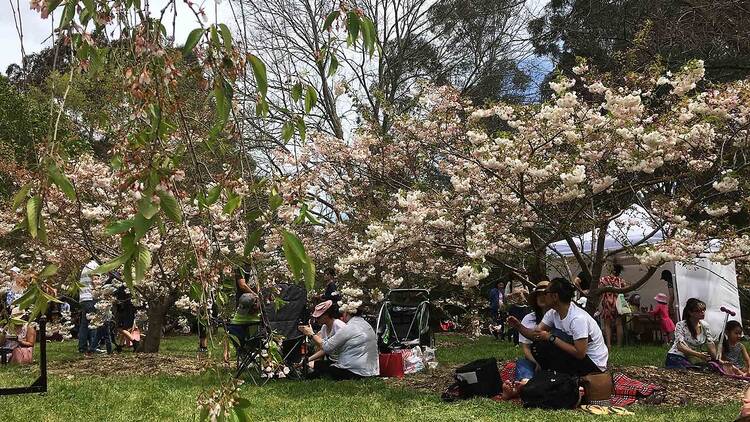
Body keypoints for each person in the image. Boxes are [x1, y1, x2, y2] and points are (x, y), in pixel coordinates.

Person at [510, 277, 608, 376]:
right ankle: (548, 376)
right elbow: (536, 335)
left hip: (593, 365)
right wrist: (518, 326)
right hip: (575, 359)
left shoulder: (577, 318)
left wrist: (551, 337)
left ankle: (556, 377)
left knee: (554, 337)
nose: (543, 296)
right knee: (539, 345)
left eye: (546, 293)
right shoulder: (553, 313)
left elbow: (580, 354)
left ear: (555, 296)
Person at [298, 305, 379, 380]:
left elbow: (327, 347)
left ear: (346, 313)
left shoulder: (347, 327)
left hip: (354, 371)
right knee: (317, 365)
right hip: (371, 371)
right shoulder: (366, 325)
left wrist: (311, 334)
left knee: (319, 368)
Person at [665, 298, 717, 369]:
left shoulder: (705, 326)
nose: (702, 313)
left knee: (712, 367)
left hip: (692, 358)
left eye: (703, 310)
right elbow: (680, 346)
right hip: (676, 357)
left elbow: (711, 345)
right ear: (690, 312)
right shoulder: (681, 325)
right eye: (698, 311)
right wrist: (698, 355)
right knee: (692, 370)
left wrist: (718, 360)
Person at [515, 281, 551, 382]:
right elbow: (526, 348)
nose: (541, 297)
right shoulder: (528, 318)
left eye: (545, 294)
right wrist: (536, 363)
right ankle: (525, 383)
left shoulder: (558, 317)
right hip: (534, 359)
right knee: (523, 364)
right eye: (538, 295)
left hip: (554, 360)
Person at [599, 263, 627, 348]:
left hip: (607, 303)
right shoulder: (620, 281)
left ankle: (609, 345)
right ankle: (619, 345)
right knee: (619, 324)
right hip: (618, 303)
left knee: (607, 324)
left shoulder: (604, 279)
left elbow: (600, 290)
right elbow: (625, 291)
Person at [78, 257, 99, 357]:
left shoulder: (86, 266)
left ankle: (82, 346)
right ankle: (93, 346)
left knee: (84, 324)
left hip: (83, 298)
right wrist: (100, 293)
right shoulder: (95, 266)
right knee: (94, 322)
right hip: (91, 297)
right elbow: (95, 281)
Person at [504, 279, 529, 345]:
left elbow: (528, 293)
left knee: (524, 324)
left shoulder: (524, 281)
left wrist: (524, 292)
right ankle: (516, 342)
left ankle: (524, 341)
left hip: (524, 306)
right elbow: (506, 295)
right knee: (515, 324)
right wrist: (514, 294)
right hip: (514, 306)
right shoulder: (510, 283)